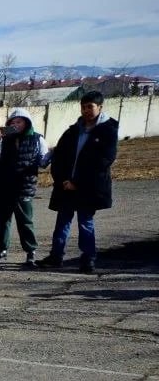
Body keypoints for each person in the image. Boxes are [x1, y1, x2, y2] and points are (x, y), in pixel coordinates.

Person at [41, 91, 119, 274]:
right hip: (66, 186)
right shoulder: (73, 130)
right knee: (62, 222)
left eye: (90, 107)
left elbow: (104, 160)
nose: (86, 111)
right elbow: (58, 156)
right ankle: (56, 256)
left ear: (100, 107)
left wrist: (78, 182)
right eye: (83, 107)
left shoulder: (107, 131)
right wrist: (62, 180)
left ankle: (88, 259)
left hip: (87, 187)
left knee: (85, 222)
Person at [0, 108, 50, 267]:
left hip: (24, 186)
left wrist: (52, 154)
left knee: (25, 221)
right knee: (1, 221)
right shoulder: (4, 139)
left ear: (27, 123)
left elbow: (43, 162)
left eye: (19, 122)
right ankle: (1, 249)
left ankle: (31, 252)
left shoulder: (37, 139)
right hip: (4, 185)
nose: (16, 125)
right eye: (12, 122)